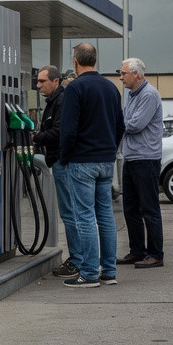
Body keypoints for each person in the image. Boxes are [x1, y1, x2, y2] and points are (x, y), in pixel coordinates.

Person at [57, 42, 122, 287]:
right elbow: (120, 126)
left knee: (84, 216)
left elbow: (69, 129)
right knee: (105, 215)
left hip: (81, 161)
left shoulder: (75, 89)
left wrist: (65, 157)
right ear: (95, 60)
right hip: (105, 161)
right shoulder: (111, 87)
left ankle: (89, 273)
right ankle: (109, 271)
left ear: (75, 62)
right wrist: (109, 149)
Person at [31, 65, 79, 279]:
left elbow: (59, 132)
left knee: (70, 214)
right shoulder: (54, 101)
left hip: (63, 162)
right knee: (71, 213)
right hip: (59, 161)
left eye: (42, 81)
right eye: (38, 81)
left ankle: (77, 260)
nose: (38, 85)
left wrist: (36, 137)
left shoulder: (61, 100)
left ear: (56, 81)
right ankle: (80, 258)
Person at [117, 57, 165, 269]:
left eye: (123, 73)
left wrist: (118, 123)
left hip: (146, 159)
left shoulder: (148, 94)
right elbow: (127, 119)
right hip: (132, 157)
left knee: (149, 208)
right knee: (130, 208)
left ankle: (155, 253)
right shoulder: (131, 95)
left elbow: (135, 124)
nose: (121, 78)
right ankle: (137, 250)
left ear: (136, 74)